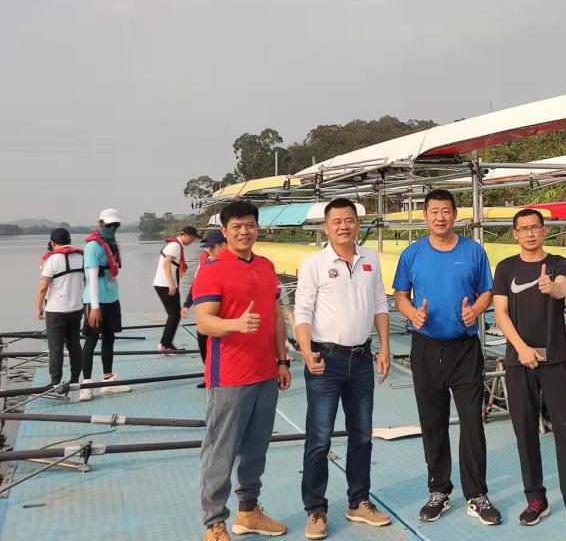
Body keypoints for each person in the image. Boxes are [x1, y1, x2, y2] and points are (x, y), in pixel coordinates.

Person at [393, 188, 501, 526]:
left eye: (446, 211)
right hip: (426, 348)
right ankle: (439, 490)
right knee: (433, 421)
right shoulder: (412, 254)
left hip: (464, 348)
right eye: (434, 211)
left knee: (471, 421)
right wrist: (412, 313)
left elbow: (487, 291)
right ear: (425, 216)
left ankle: (477, 494)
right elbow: (400, 296)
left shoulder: (473, 251)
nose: (440, 217)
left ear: (455, 215)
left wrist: (476, 311)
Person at [193, 200, 292, 541]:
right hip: (230, 376)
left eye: (250, 225)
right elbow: (204, 322)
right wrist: (235, 324)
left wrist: (282, 360)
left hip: (265, 372)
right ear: (224, 231)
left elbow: (275, 316)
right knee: (221, 450)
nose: (244, 231)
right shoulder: (213, 269)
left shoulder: (265, 266)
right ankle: (214, 523)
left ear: (257, 228)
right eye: (236, 227)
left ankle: (249, 511)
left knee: (256, 448)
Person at [294, 198, 392, 540]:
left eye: (349, 220)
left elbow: (379, 303)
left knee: (362, 435)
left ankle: (359, 501)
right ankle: (315, 509)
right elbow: (302, 312)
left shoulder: (370, 259)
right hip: (326, 360)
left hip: (362, 359)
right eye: (336, 221)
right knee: (319, 439)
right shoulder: (314, 264)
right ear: (326, 227)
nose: (343, 226)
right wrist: (306, 351)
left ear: (357, 224)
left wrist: (384, 348)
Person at [492, 208, 566, 533]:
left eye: (535, 227)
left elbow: (563, 287)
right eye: (524, 229)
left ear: (544, 230)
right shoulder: (506, 268)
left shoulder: (559, 263)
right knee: (525, 432)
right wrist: (521, 348)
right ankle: (536, 498)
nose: (530, 233)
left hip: (555, 361)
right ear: (515, 234)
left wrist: (552, 288)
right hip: (519, 360)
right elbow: (501, 312)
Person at [80, 208, 130, 402]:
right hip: (95, 301)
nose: (113, 228)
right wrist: (94, 307)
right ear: (101, 223)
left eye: (116, 225)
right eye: (110, 225)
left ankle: (108, 380)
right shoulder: (93, 246)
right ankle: (86, 385)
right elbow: (92, 278)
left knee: (109, 338)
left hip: (111, 299)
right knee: (91, 340)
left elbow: (112, 270)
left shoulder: (111, 244)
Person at [36, 228, 84, 389]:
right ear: (69, 241)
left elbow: (43, 288)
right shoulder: (81, 257)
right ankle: (75, 378)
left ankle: (55, 382)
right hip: (76, 308)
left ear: (53, 243)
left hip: (56, 310)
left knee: (55, 347)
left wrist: (38, 307)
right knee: (74, 344)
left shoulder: (53, 260)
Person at [183, 230, 226, 387]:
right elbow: (196, 285)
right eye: (208, 247)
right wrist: (187, 304)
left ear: (224, 246)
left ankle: (220, 377)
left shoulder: (231, 263)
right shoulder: (205, 261)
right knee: (203, 341)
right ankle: (208, 376)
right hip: (207, 312)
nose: (209, 250)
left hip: (223, 313)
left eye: (212, 247)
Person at [153, 225, 199, 353]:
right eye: (192, 238)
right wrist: (171, 284)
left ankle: (166, 343)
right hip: (165, 285)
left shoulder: (176, 245)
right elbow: (166, 263)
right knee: (174, 315)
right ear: (186, 235)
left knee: (174, 315)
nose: (192, 241)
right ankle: (165, 345)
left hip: (164, 284)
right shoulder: (175, 246)